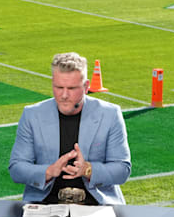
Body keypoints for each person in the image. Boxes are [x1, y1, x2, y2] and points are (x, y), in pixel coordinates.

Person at [9, 52, 130, 206]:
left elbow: (122, 170)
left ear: (86, 87)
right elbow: (17, 169)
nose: (64, 95)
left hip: (97, 206)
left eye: (72, 88)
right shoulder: (32, 115)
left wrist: (88, 169)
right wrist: (49, 171)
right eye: (59, 87)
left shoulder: (110, 114)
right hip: (44, 205)